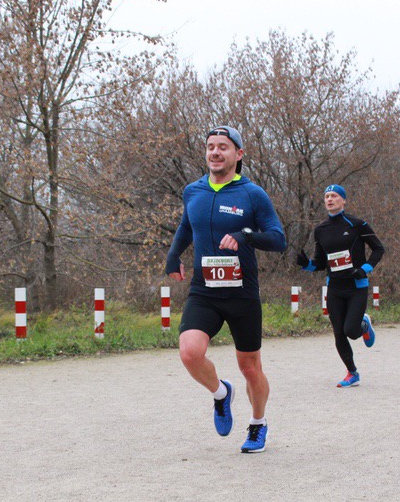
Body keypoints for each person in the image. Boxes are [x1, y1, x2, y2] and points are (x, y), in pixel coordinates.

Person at [165, 126, 287, 454]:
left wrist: (246, 235)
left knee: (250, 367)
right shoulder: (193, 191)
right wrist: (173, 255)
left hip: (241, 293)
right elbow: (187, 225)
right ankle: (221, 394)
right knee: (189, 352)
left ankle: (258, 423)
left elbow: (278, 239)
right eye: (210, 147)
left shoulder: (252, 194)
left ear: (238, 154)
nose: (215, 152)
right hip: (204, 291)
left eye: (223, 147)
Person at [296, 184, 385, 387]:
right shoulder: (320, 230)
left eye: (334, 196)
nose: (330, 199)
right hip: (334, 288)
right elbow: (320, 263)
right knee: (338, 332)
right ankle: (352, 373)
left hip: (356, 286)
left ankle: (363, 325)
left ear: (343, 200)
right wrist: (306, 264)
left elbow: (379, 249)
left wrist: (365, 269)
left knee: (351, 331)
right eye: (327, 196)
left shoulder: (358, 224)